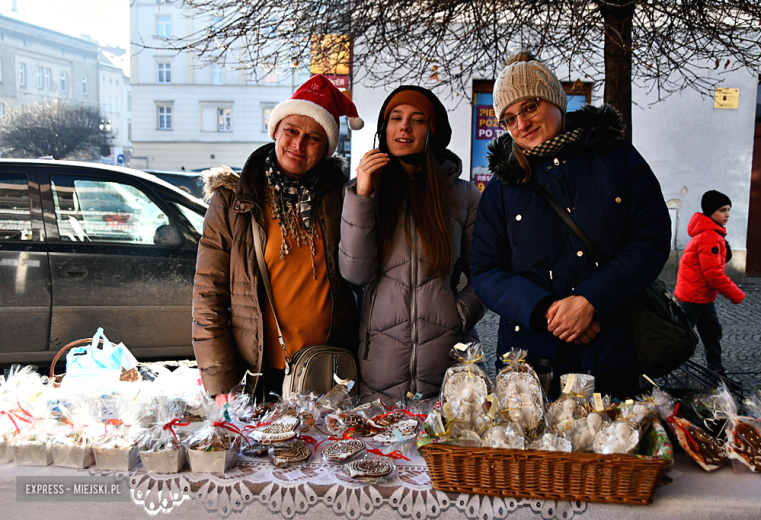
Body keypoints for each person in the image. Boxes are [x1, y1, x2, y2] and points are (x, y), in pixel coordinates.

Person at [470, 53, 671, 400]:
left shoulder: (618, 159)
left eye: (530, 106)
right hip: (532, 360)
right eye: (509, 118)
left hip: (614, 350)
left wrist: (592, 299)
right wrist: (546, 311)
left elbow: (650, 239)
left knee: (615, 433)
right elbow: (486, 271)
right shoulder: (503, 188)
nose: (522, 123)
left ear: (556, 100)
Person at [192, 74, 362, 402]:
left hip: (327, 370)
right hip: (257, 375)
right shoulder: (233, 201)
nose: (298, 144)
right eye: (292, 131)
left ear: (326, 149)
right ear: (276, 132)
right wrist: (221, 380)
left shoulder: (342, 198)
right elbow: (207, 294)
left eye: (313, 138)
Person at [339, 85, 486, 402]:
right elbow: (354, 272)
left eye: (418, 120)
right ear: (384, 129)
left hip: (449, 361)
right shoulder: (362, 193)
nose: (404, 127)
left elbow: (484, 271)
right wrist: (362, 195)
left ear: (433, 132)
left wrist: (459, 315)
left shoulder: (463, 196)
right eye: (395, 118)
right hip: (379, 362)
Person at [674, 190, 745, 374]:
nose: (727, 215)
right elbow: (713, 275)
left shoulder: (712, 234)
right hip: (694, 297)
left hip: (703, 297)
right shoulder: (709, 236)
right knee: (680, 335)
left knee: (712, 332)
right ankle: (663, 368)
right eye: (722, 210)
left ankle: (716, 369)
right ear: (710, 212)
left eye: (728, 210)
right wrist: (736, 295)